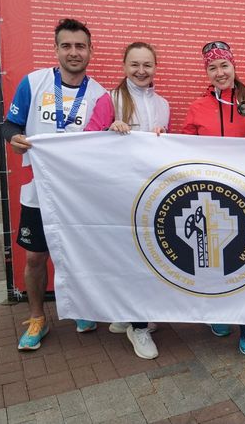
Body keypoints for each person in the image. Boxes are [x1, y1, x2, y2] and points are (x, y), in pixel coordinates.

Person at [2, 18, 108, 350]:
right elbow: (10, 125)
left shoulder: (101, 95)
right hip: (39, 190)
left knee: (79, 255)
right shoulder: (33, 83)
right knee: (35, 257)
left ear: (90, 51)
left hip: (78, 194)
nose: (74, 52)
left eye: (80, 46)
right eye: (67, 46)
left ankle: (80, 309)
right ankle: (37, 318)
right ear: (56, 49)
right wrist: (14, 139)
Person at [85, 41, 169, 359]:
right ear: (124, 66)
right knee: (130, 258)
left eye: (147, 64)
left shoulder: (163, 104)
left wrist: (164, 136)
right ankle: (138, 326)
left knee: (145, 256)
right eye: (134, 64)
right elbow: (86, 142)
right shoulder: (110, 99)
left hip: (151, 194)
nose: (141, 70)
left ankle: (128, 315)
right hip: (119, 192)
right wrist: (108, 130)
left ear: (155, 67)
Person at [181, 40, 245, 356]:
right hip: (208, 195)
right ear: (207, 72)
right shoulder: (197, 106)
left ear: (233, 66)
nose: (219, 72)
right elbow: (183, 148)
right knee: (213, 258)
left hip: (243, 194)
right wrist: (162, 138)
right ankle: (218, 310)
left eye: (224, 65)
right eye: (213, 67)